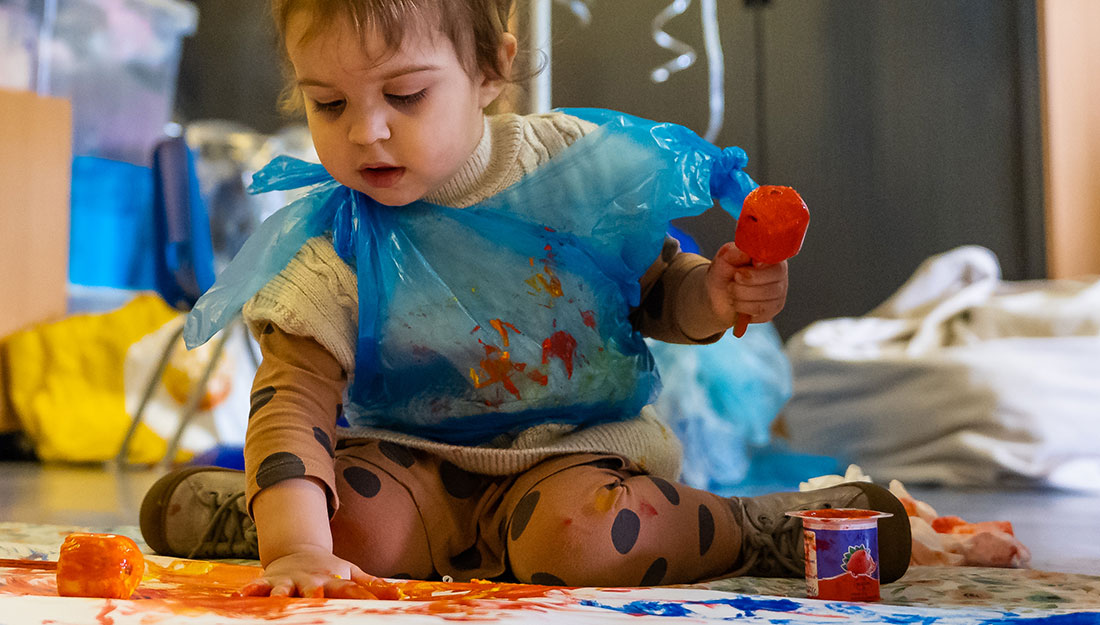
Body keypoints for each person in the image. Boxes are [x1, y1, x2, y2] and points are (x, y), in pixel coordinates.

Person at [140, 0, 911, 598]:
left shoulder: (570, 174)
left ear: (489, 71)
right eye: (329, 105)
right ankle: (268, 514)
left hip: (577, 460)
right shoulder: (337, 240)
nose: (367, 131)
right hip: (415, 468)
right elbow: (292, 398)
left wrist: (717, 290)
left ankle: (753, 527)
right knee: (351, 537)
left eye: (404, 95)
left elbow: (661, 297)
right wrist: (299, 549)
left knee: (577, 542)